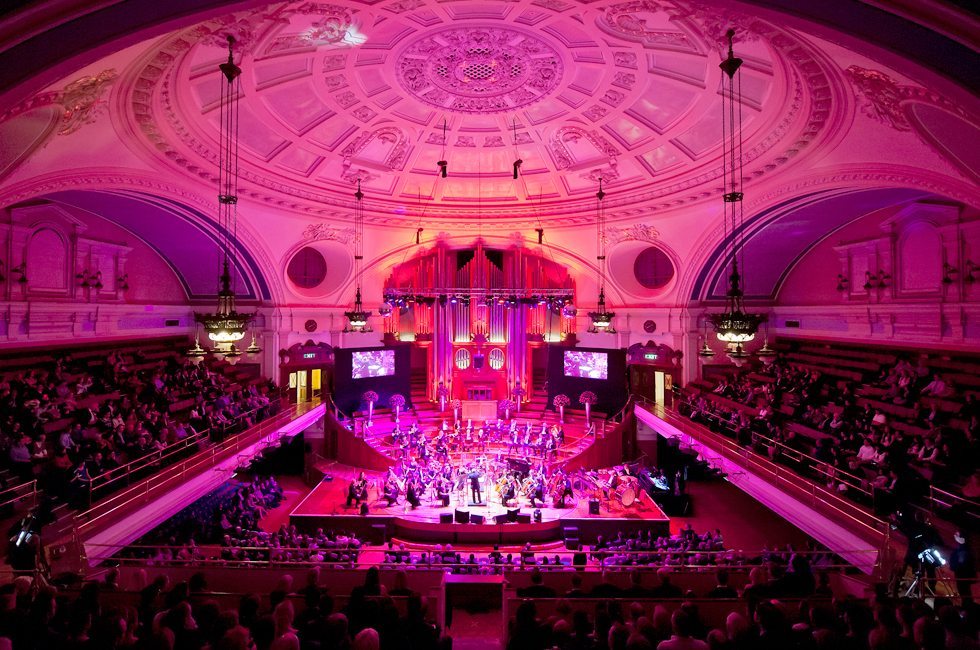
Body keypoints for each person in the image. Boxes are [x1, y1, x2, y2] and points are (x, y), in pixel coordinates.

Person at [949, 530, 976, 605]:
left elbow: (961, 564)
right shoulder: (964, 548)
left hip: (962, 576)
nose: (955, 536)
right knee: (966, 593)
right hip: (963, 575)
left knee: (964, 593)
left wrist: (953, 566)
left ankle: (967, 607)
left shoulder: (963, 550)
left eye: (957, 535)